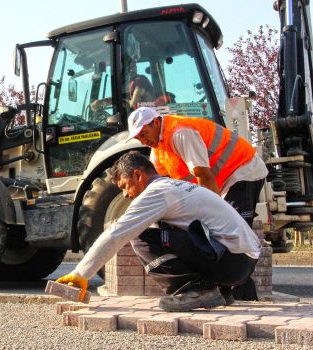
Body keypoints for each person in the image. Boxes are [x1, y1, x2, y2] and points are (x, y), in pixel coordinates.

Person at [56, 151, 262, 311]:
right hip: (240, 260)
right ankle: (217, 290)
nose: (126, 195)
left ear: (137, 175)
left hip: (233, 261)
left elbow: (118, 232)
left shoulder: (157, 192)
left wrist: (80, 273)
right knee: (162, 227)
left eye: (125, 186)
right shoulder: (174, 185)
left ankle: (196, 291)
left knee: (139, 234)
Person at [125, 106, 269, 301]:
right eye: (138, 137)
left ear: (156, 122)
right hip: (222, 178)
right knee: (213, 236)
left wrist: (211, 216)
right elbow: (162, 188)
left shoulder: (180, 132)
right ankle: (222, 290)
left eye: (144, 133)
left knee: (231, 233)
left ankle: (242, 295)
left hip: (242, 170)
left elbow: (204, 176)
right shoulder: (158, 151)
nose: (143, 140)